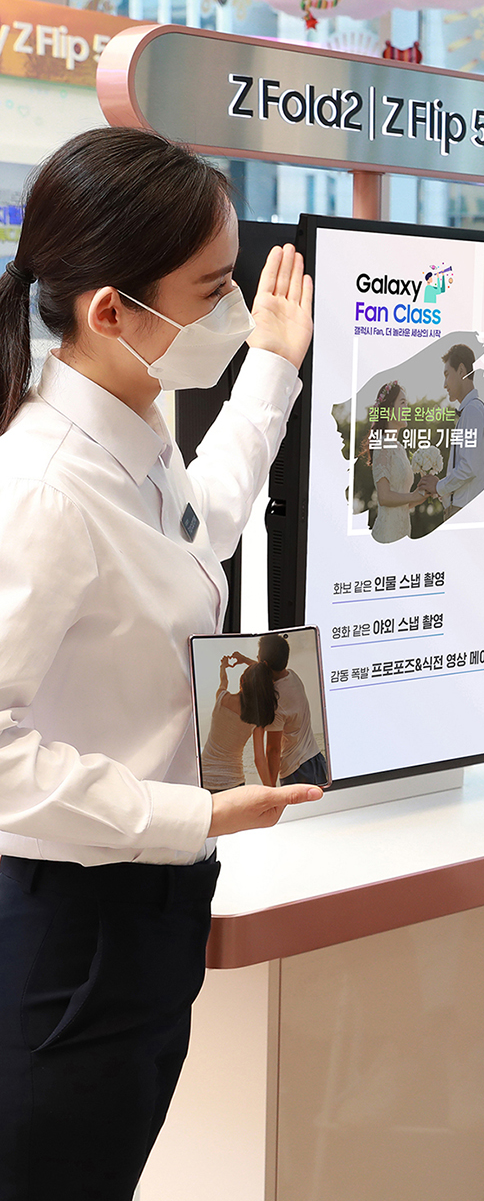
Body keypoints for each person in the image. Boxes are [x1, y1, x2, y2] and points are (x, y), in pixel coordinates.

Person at [0, 126, 321, 1200]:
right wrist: (192, 814)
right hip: (72, 927)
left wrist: (272, 365)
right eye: (213, 290)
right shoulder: (42, 489)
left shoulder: (133, 437)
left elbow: (202, 526)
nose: (233, 312)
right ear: (110, 312)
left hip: (140, 914)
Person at [418, 342, 484, 518]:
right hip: (460, 509)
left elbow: (468, 468)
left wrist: (438, 486)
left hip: (463, 511)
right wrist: (441, 489)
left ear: (461, 371)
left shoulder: (472, 411)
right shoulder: (470, 410)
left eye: (447, 375)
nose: (444, 384)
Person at [242, 633, 328, 789]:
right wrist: (244, 659)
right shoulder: (293, 676)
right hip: (316, 759)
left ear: (264, 663)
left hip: (296, 770)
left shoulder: (276, 702)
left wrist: (271, 789)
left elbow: (273, 750)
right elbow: (266, 670)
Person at [363, 380, 427, 543]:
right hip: (387, 533)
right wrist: (412, 496)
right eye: (403, 403)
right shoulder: (383, 444)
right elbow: (384, 497)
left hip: (403, 531)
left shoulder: (399, 448)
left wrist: (421, 495)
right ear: (389, 409)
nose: (407, 408)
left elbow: (402, 503)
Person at [199, 653, 254, 793]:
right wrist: (246, 660)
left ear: (241, 681)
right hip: (233, 780)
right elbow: (266, 675)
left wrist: (223, 666)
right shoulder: (255, 717)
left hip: (205, 777)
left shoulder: (221, 697)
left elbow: (224, 680)